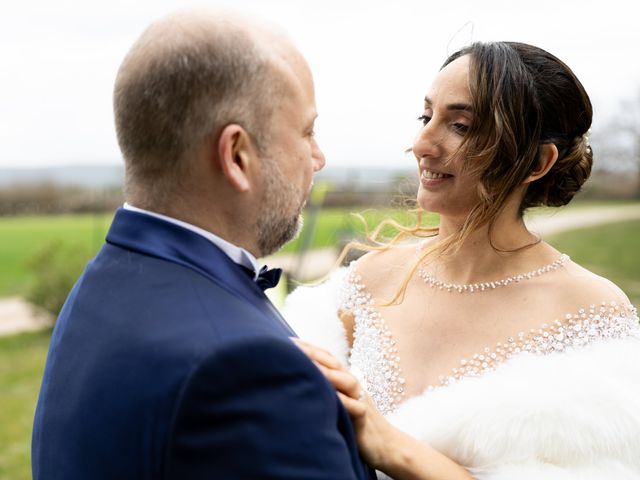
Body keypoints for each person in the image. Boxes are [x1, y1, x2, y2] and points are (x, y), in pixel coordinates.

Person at [31, 10, 376, 479]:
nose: (318, 157)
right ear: (237, 156)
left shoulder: (101, 285)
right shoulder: (249, 373)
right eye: (306, 131)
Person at [284, 41, 640, 479]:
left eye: (461, 126)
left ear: (537, 161)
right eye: (425, 117)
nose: (421, 144)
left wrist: (391, 446)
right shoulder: (366, 281)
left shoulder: (593, 314)